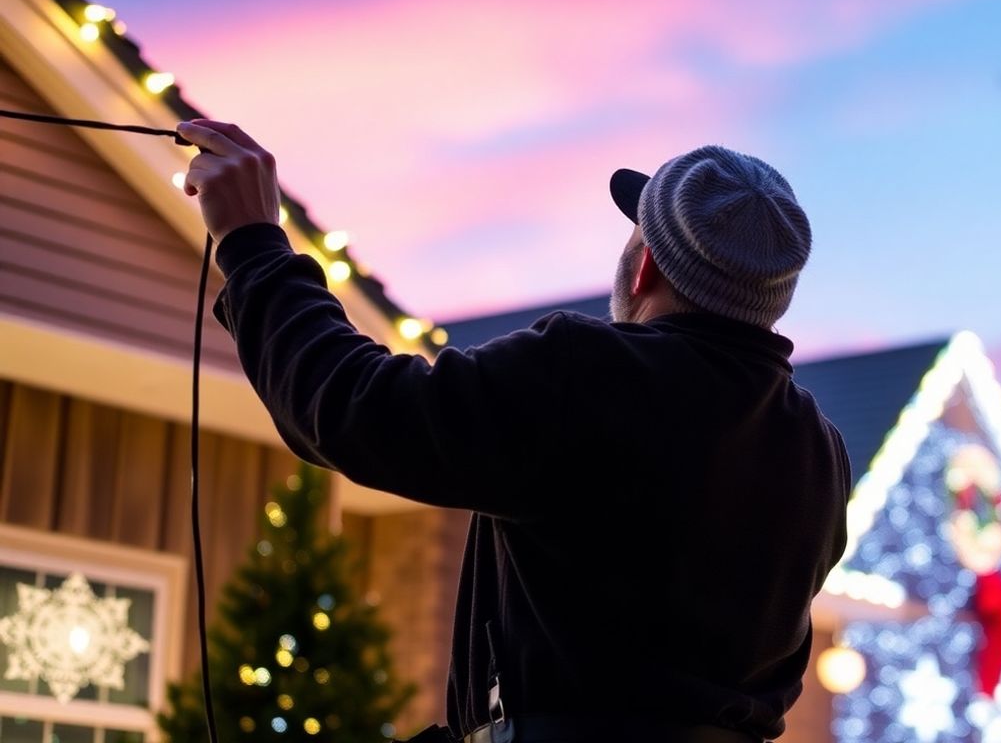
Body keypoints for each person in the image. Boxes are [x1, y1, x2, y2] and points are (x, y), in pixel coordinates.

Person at [176, 119, 851, 743]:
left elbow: (357, 407)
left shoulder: (588, 373)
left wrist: (254, 246)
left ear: (644, 264)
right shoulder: (820, 453)